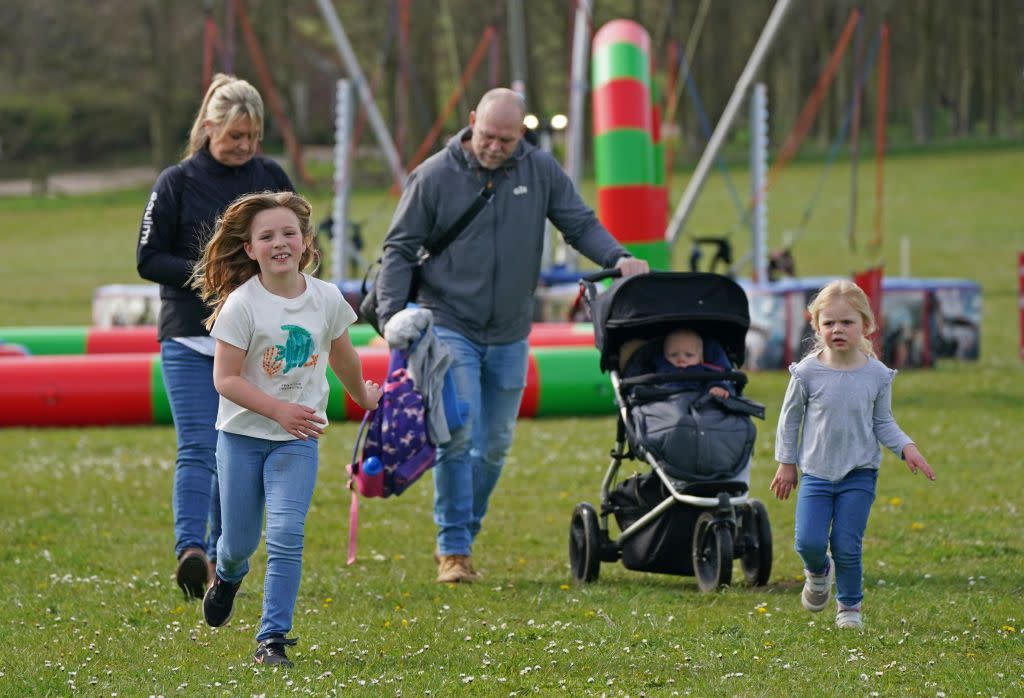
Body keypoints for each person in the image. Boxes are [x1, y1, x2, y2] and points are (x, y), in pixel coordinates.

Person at [374, 87, 649, 584]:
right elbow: (398, 249)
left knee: (496, 443)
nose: (495, 147)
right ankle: (453, 548)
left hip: (510, 331)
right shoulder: (434, 176)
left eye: (506, 138)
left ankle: (464, 534)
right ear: (472, 121)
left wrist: (617, 257)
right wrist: (393, 315)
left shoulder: (539, 170)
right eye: (487, 136)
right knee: (458, 434)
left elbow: (578, 222)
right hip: (449, 323)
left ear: (521, 133)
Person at [190, 191, 382, 667]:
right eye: (267, 236)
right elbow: (225, 379)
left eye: (289, 233)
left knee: (287, 534)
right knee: (237, 544)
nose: (280, 243)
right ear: (250, 248)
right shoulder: (241, 305)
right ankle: (229, 577)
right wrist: (277, 410)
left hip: (297, 440)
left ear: (305, 241)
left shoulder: (326, 298)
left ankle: (271, 639)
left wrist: (363, 395)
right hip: (241, 438)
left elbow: (342, 356)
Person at [135, 73, 295, 599]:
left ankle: (225, 556)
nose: (243, 147)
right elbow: (147, 258)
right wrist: (214, 279)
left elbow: (293, 244)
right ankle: (191, 550)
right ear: (208, 128)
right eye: (233, 137)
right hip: (188, 338)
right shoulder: (175, 182)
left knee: (237, 448)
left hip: (254, 339)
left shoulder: (270, 176)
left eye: (251, 137)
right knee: (199, 446)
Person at [770, 280, 935, 630]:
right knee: (809, 542)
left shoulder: (876, 375)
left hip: (859, 473)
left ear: (866, 325)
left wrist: (907, 447)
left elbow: (883, 421)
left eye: (847, 322)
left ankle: (849, 608)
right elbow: (790, 420)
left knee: (847, 544)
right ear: (816, 326)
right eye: (828, 323)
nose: (837, 329)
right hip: (815, 472)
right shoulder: (806, 373)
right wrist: (787, 463)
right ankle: (818, 572)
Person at [653, 328, 734, 398]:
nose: (681, 359)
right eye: (673, 355)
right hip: (669, 404)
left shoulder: (705, 370)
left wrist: (717, 387)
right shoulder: (661, 368)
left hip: (700, 403)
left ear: (701, 358)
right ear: (664, 356)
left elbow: (720, 376)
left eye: (689, 355)